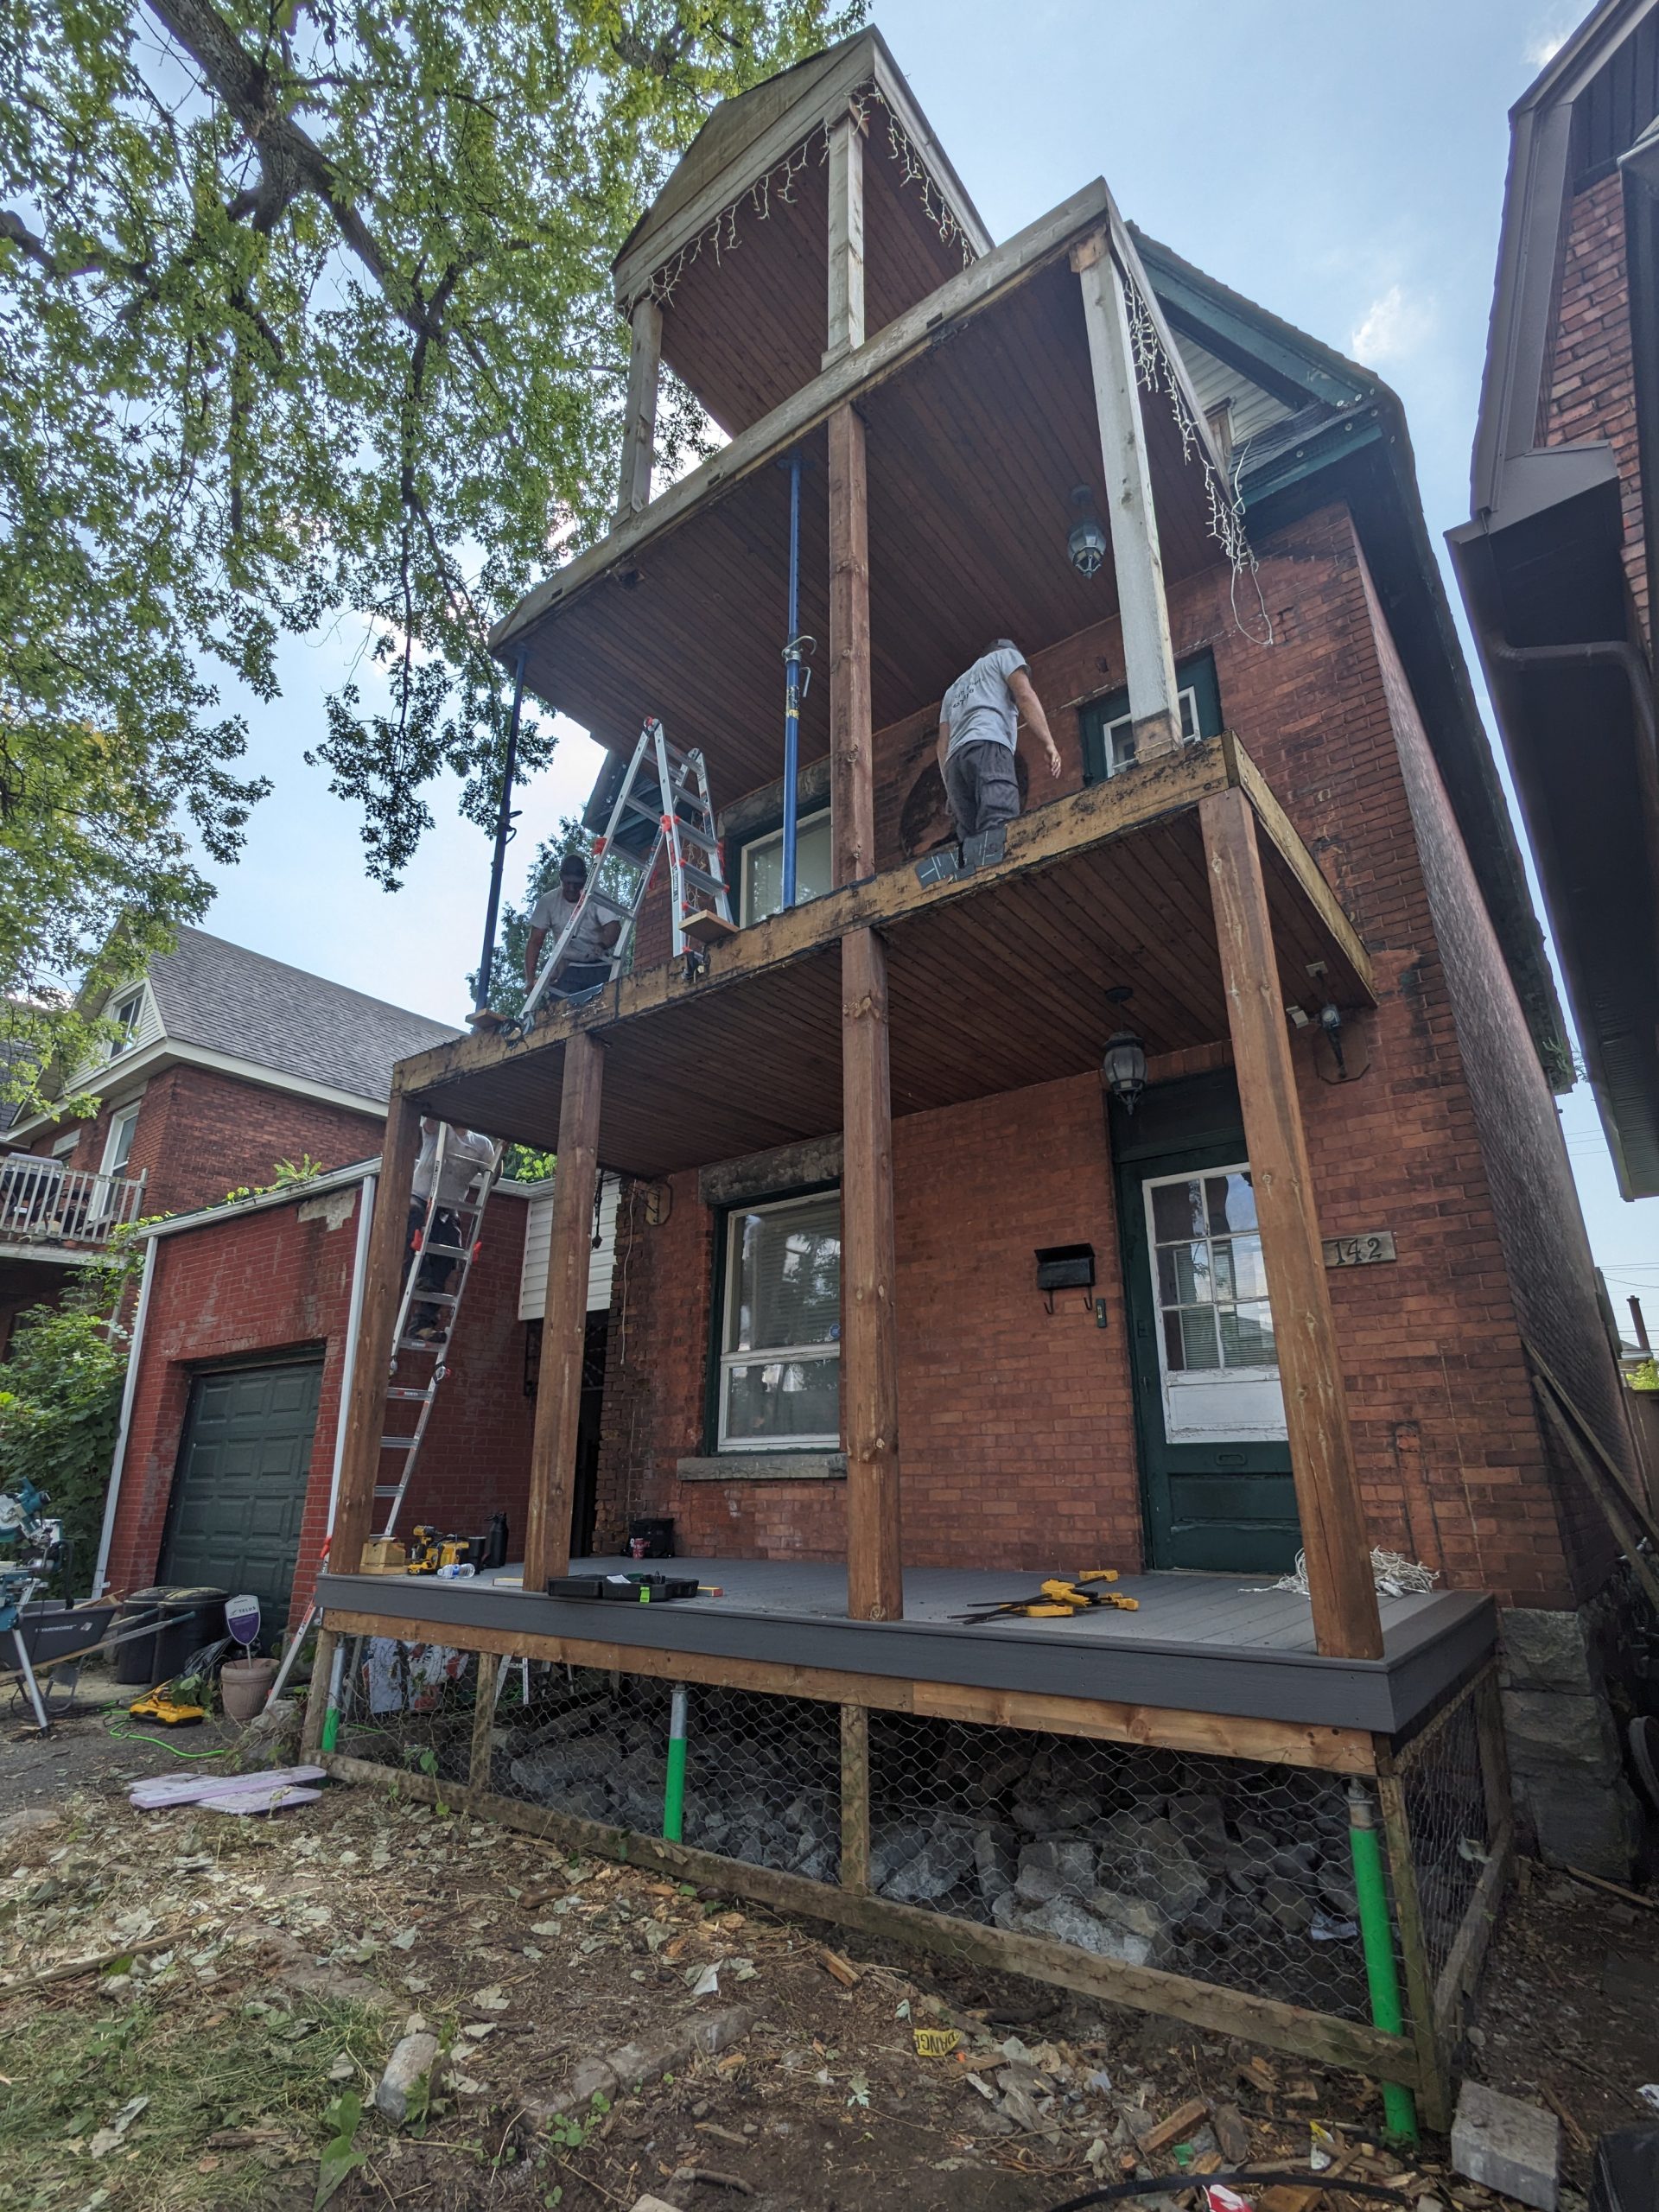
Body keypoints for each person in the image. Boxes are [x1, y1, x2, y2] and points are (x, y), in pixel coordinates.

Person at [936, 639, 1061, 845]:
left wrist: (950, 788)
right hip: (988, 745)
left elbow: (942, 744)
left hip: (955, 764)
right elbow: (1025, 696)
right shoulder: (1005, 656)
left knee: (970, 837)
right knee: (998, 818)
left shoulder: (953, 690)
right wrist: (1049, 743)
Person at [405, 1120, 496, 1338]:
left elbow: (492, 1176)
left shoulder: (481, 1144)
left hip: (448, 1207)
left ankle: (422, 1325)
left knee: (448, 1256)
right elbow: (429, 1117)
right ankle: (420, 1277)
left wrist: (502, 1152)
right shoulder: (438, 1127)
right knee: (414, 1239)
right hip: (421, 1198)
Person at [524, 851, 621, 1001]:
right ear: (561, 878)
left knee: (603, 1006)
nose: (571, 888)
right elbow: (535, 941)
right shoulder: (548, 902)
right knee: (558, 1008)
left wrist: (602, 945)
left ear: (585, 881)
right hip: (567, 969)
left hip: (598, 966)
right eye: (568, 883)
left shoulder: (596, 896)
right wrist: (530, 980)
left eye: (577, 884)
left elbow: (613, 927)